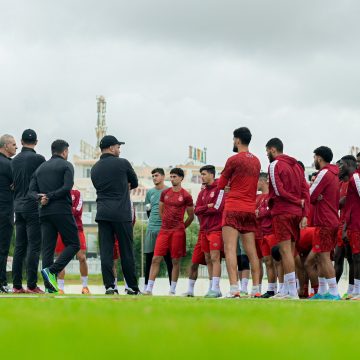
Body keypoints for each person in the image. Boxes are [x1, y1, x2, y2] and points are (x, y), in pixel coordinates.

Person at [29, 139, 80, 293]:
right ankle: (52, 271)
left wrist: (40, 197)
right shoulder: (66, 165)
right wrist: (50, 196)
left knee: (47, 250)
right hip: (61, 210)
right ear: (64, 152)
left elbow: (30, 192)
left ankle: (49, 286)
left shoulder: (39, 169)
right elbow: (67, 187)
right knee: (74, 244)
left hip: (44, 212)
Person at [91, 135, 140, 295]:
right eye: (118, 147)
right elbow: (135, 182)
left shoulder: (95, 168)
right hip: (121, 213)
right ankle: (132, 287)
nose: (119, 150)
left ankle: (110, 286)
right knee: (126, 251)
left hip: (103, 212)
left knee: (106, 252)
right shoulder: (123, 163)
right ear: (111, 148)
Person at [218, 127, 261, 298]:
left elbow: (221, 184)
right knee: (252, 251)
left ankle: (234, 288)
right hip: (249, 208)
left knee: (230, 249)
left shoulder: (233, 160)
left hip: (233, 206)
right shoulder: (257, 161)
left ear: (237, 140)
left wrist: (228, 186)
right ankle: (256, 289)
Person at [266, 137, 309, 299]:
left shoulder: (274, 164)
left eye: (267, 152)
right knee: (290, 251)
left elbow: (277, 190)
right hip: (296, 213)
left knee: (285, 252)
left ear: (272, 149)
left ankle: (291, 292)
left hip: (283, 212)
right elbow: (306, 191)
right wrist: (303, 211)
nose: (267, 155)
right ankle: (285, 290)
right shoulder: (297, 166)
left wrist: (295, 201)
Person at [145, 168, 194, 295]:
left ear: (181, 178)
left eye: (175, 177)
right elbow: (161, 211)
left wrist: (181, 227)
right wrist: (166, 223)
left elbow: (191, 216)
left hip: (178, 232)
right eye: (171, 177)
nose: (172, 179)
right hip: (164, 231)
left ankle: (172, 290)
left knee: (175, 261)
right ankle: (149, 289)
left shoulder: (186, 196)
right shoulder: (165, 193)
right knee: (155, 258)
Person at [11, 129, 45, 294]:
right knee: (34, 246)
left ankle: (17, 285)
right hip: (33, 206)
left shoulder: (14, 161)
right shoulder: (39, 159)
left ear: (22, 141)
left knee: (19, 247)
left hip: (18, 206)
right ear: (36, 142)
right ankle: (32, 285)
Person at [307, 146, 340, 300]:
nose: (314, 161)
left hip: (325, 221)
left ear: (319, 158)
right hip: (329, 220)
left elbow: (310, 195)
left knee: (325, 257)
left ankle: (334, 292)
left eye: (314, 157)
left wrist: (316, 196)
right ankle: (321, 291)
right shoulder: (334, 174)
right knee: (320, 257)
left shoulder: (325, 172)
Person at [195, 165, 225, 298]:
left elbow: (217, 208)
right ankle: (212, 287)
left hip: (216, 229)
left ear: (212, 175)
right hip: (204, 230)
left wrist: (203, 209)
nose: (202, 176)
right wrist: (207, 206)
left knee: (215, 257)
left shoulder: (220, 189)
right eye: (201, 174)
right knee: (207, 258)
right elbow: (196, 210)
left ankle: (216, 287)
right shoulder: (202, 192)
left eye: (204, 174)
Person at [55, 189, 90, 295]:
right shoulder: (57, 192)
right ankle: (60, 288)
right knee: (60, 259)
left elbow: (77, 210)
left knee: (82, 258)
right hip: (61, 229)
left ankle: (85, 287)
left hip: (76, 229)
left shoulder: (77, 193)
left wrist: (64, 210)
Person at [144, 168, 172, 291]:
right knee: (149, 259)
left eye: (156, 175)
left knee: (169, 260)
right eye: (153, 176)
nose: (154, 178)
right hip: (151, 229)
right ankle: (146, 288)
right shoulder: (150, 193)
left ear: (163, 176)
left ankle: (173, 288)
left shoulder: (169, 191)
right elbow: (148, 210)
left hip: (165, 230)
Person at [335, 156, 355, 298]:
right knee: (338, 256)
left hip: (351, 223)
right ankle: (333, 290)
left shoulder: (354, 182)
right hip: (341, 223)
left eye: (340, 165)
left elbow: (343, 201)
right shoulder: (340, 183)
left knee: (351, 257)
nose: (338, 169)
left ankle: (352, 289)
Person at [256, 172, 277, 298]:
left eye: (257, 181)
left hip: (273, 232)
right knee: (268, 261)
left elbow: (270, 211)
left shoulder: (271, 195)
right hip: (262, 233)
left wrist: (260, 212)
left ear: (263, 181)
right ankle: (271, 289)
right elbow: (256, 213)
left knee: (277, 261)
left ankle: (283, 288)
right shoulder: (258, 197)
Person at [0, 134, 17, 293]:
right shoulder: (9, 165)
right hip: (4, 210)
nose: (16, 148)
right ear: (5, 146)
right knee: (3, 248)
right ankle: (2, 283)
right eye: (13, 145)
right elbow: (16, 184)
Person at [343, 156, 360, 300]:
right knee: (355, 258)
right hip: (353, 224)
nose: (339, 168)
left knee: (358, 257)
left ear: (348, 164)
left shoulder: (355, 177)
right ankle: (356, 290)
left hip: (358, 224)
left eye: (341, 165)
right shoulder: (351, 180)